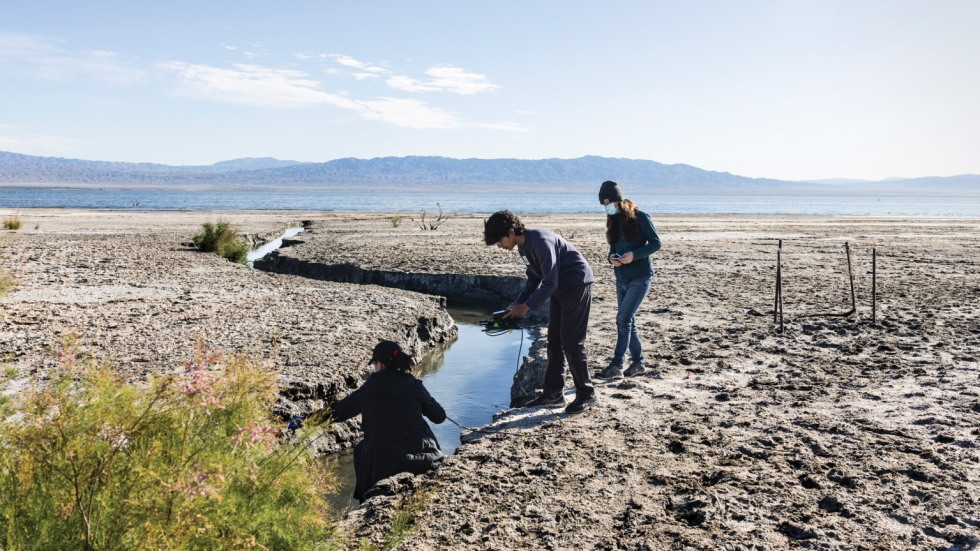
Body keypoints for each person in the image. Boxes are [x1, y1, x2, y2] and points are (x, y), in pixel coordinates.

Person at [483, 210, 598, 414]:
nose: (499, 247)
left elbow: (550, 281)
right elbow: (534, 279)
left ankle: (587, 394)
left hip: (576, 284)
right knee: (554, 342)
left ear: (510, 232)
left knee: (571, 342)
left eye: (498, 241)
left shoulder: (540, 241)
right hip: (560, 289)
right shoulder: (523, 247)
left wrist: (526, 307)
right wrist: (517, 304)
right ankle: (553, 394)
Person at [305, 340, 446, 502]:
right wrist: (425, 398)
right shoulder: (414, 386)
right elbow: (440, 417)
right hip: (425, 461)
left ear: (379, 364)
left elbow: (338, 411)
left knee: (360, 449)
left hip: (383, 469)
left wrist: (305, 419)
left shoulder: (368, 389)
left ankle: (366, 497)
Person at [595, 180, 662, 380]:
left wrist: (634, 255)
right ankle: (638, 363)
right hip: (621, 278)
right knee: (628, 320)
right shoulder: (613, 221)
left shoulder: (641, 217)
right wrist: (611, 259)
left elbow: (656, 243)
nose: (607, 208)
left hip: (640, 277)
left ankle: (616, 365)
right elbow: (612, 248)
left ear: (618, 200)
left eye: (608, 203)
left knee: (623, 319)